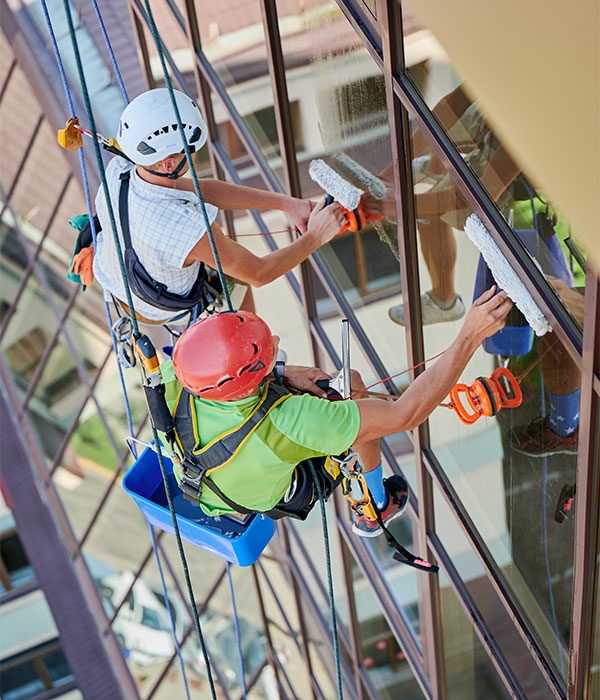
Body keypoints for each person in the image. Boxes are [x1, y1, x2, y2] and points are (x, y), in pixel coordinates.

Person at [160, 286, 512, 536]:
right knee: (349, 393)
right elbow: (408, 413)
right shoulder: (292, 421)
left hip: (203, 477)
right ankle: (373, 504)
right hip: (274, 491)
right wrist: (471, 335)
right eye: (269, 353)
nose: (278, 344)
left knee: (339, 397)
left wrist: (280, 372)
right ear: (248, 382)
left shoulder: (182, 371)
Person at [93, 88, 346, 323]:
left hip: (119, 277)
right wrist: (316, 236)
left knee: (228, 261)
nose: (194, 156)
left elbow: (203, 190)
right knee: (238, 281)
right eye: (190, 151)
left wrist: (285, 204)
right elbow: (259, 273)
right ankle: (255, 354)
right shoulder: (187, 230)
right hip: (154, 306)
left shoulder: (120, 171)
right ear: (168, 165)